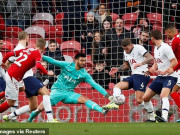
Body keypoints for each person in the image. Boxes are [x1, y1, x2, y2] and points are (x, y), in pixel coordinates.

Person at [27, 53, 118, 122]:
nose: (83, 63)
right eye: (82, 60)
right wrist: (39, 55)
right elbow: (52, 61)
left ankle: (102, 110)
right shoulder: (66, 65)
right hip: (57, 91)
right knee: (40, 108)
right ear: (76, 60)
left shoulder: (84, 74)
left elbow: (95, 85)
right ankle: (29, 120)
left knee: (85, 99)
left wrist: (108, 96)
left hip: (69, 93)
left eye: (84, 61)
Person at [0, 38, 57, 122]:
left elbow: (9, 54)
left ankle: (9, 116)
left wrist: (4, 63)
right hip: (14, 77)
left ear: (35, 45)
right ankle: (50, 119)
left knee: (31, 102)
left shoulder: (26, 50)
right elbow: (38, 66)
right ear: (45, 48)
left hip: (16, 75)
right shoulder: (38, 54)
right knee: (11, 103)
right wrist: (47, 72)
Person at [103, 38, 154, 121]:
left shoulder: (139, 48)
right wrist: (117, 69)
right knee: (117, 86)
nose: (126, 51)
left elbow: (150, 58)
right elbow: (126, 65)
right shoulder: (125, 52)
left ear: (131, 45)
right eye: (124, 49)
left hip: (142, 75)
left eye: (127, 48)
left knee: (139, 100)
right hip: (134, 75)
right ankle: (116, 101)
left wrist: (140, 63)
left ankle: (152, 115)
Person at [143, 30, 178, 122]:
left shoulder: (166, 47)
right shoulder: (156, 48)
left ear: (153, 38)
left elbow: (175, 62)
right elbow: (156, 61)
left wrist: (166, 71)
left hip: (170, 76)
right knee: (145, 97)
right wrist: (152, 69)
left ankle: (164, 118)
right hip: (160, 77)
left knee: (163, 95)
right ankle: (152, 118)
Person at [165, 24, 180, 122]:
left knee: (173, 92)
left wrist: (173, 69)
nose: (168, 37)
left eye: (167, 35)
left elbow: (175, 59)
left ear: (169, 32)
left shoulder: (175, 41)